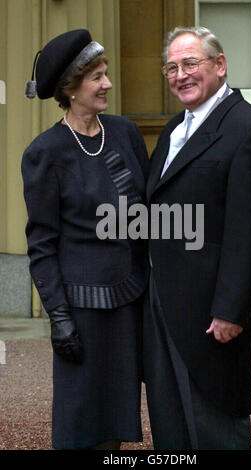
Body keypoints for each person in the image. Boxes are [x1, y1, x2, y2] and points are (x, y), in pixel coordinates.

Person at [144, 26, 251, 450]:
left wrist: (231, 309)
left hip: (212, 316)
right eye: (171, 67)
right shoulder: (172, 129)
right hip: (161, 305)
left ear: (219, 66)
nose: (180, 75)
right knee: (171, 428)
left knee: (215, 429)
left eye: (190, 64)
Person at [21, 29, 149, 450]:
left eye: (106, 73)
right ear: (70, 89)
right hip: (80, 311)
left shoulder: (126, 133)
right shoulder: (46, 152)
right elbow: (41, 244)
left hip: (129, 301)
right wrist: (58, 317)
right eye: (96, 76)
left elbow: (146, 218)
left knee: (116, 420)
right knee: (80, 423)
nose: (107, 84)